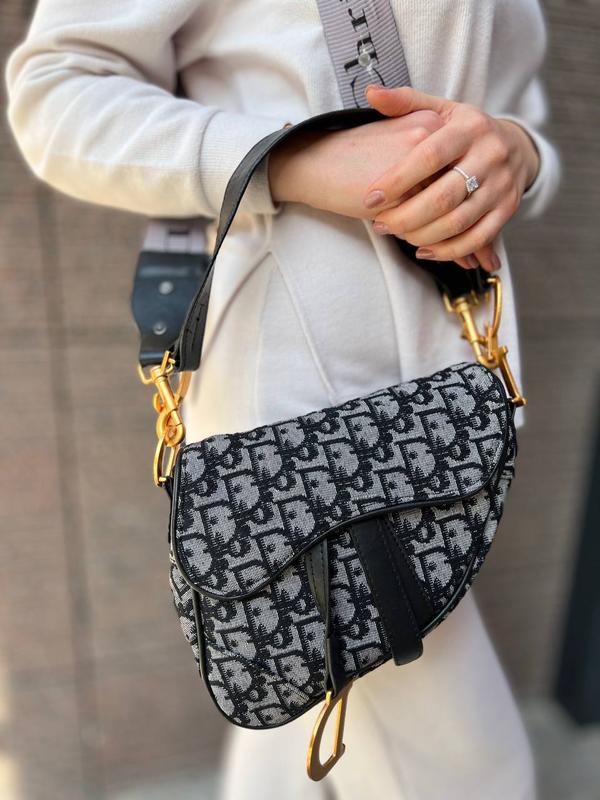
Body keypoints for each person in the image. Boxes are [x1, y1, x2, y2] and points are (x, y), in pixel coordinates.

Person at [6, 1, 560, 798]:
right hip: (291, 395)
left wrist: (517, 153)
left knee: (299, 712)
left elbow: (516, 104)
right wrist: (290, 158)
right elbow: (57, 94)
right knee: (469, 771)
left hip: (453, 365)